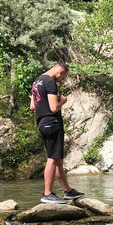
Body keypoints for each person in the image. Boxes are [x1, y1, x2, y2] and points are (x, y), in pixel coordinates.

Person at [30, 62, 84, 204]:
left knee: (57, 158)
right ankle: (47, 193)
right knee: (53, 159)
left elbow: (32, 106)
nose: (61, 80)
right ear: (60, 71)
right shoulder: (50, 82)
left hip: (42, 123)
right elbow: (54, 107)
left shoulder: (37, 81)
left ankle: (68, 191)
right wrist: (63, 101)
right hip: (52, 123)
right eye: (63, 77)